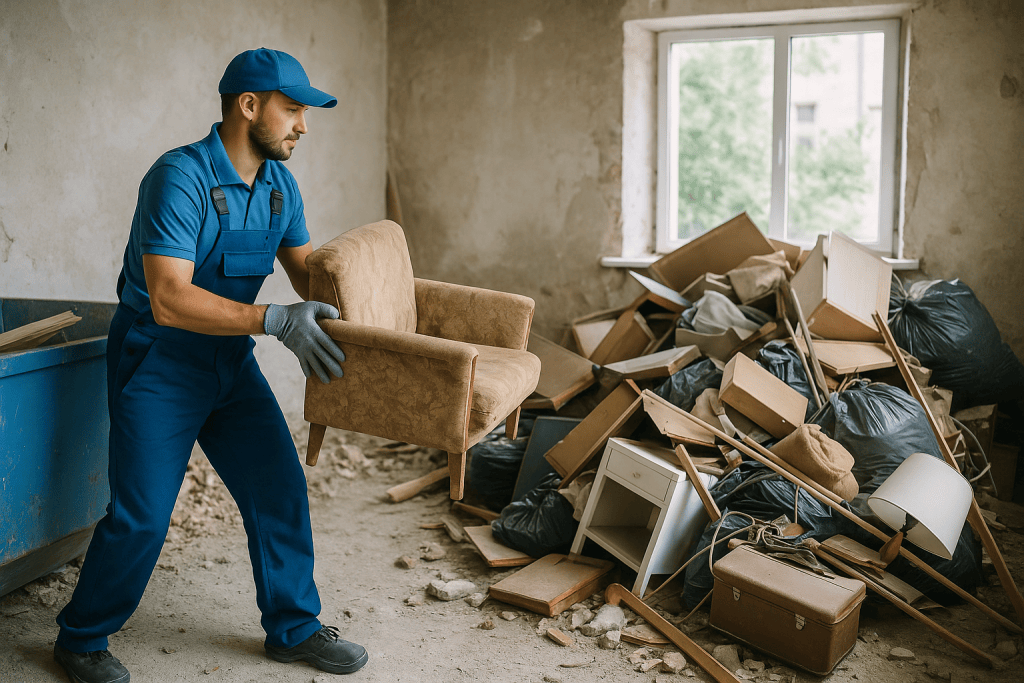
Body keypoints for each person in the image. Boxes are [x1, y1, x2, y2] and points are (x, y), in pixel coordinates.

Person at [52, 48, 366, 683]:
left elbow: (309, 275)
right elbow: (168, 298)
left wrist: (374, 299)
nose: (303, 125)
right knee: (141, 514)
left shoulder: (280, 184)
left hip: (227, 360)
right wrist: (276, 319)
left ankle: (294, 627)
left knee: (277, 486)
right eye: (293, 109)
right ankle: (81, 638)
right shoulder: (180, 177)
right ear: (248, 107)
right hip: (158, 363)